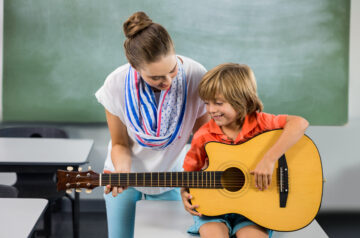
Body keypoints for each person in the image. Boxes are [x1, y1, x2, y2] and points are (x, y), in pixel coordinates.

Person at [95, 12, 209, 238]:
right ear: (134, 67)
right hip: (127, 172)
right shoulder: (116, 83)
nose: (167, 81)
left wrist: (199, 176)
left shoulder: (196, 75)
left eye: (172, 70)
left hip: (172, 175)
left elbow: (203, 139)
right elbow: (119, 144)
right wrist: (122, 173)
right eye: (156, 77)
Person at [181, 63, 309, 238]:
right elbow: (189, 173)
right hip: (213, 210)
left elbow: (299, 123)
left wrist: (269, 160)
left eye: (218, 103)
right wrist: (184, 193)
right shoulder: (203, 135)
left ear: (243, 100)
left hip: (256, 208)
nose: (211, 110)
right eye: (207, 103)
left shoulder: (261, 123)